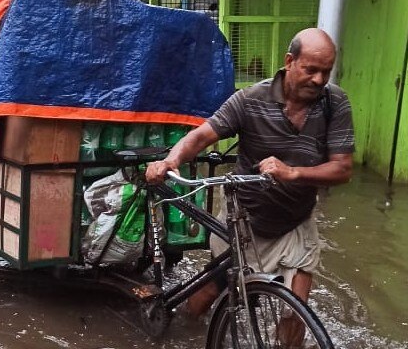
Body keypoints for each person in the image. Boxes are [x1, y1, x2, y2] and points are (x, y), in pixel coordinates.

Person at [145, 28, 354, 319]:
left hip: (296, 221)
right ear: (290, 61)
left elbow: (342, 168)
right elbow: (201, 136)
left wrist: (293, 173)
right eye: (311, 70)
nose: (319, 80)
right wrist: (169, 161)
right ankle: (185, 333)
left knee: (297, 314)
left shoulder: (334, 102)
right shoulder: (250, 100)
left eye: (326, 72)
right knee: (209, 295)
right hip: (246, 218)